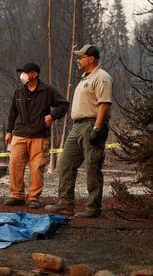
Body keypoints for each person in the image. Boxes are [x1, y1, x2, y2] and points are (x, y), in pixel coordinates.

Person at [45, 45, 113, 218]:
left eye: (81, 57)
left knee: (92, 166)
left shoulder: (102, 77)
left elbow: (104, 104)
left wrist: (97, 128)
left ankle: (93, 208)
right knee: (66, 163)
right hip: (77, 126)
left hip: (92, 124)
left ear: (91, 59)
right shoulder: (85, 78)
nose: (78, 59)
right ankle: (65, 204)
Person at [4, 63, 69, 209]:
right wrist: (9, 131)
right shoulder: (19, 91)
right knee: (14, 164)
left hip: (39, 135)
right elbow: (13, 112)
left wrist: (52, 116)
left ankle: (33, 197)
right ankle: (17, 195)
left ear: (34, 74)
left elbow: (63, 105)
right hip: (19, 134)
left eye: (25, 73)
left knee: (37, 167)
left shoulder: (48, 90)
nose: (22, 76)